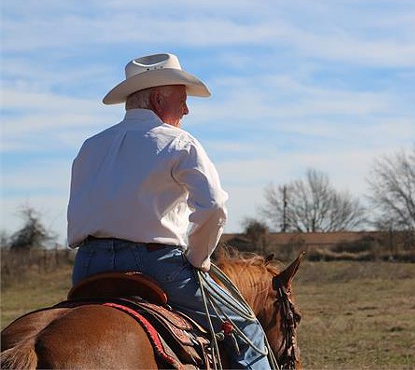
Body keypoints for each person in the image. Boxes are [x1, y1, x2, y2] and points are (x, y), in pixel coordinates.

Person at [67, 53, 271, 369]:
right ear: (158, 98)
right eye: (182, 100)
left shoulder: (90, 146)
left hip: (88, 265)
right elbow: (213, 206)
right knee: (247, 331)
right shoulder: (179, 142)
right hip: (155, 263)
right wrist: (199, 257)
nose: (187, 110)